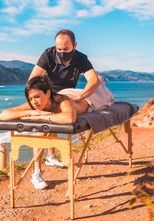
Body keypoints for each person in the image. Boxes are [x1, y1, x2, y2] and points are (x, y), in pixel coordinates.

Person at [0, 75, 89, 189]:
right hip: (67, 93)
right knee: (41, 130)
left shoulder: (62, 100)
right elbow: (3, 115)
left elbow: (69, 118)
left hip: (88, 99)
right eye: (30, 98)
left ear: (48, 93)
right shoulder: (34, 104)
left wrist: (44, 117)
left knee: (42, 125)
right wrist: (31, 113)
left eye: (37, 97)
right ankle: (37, 172)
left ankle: (43, 165)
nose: (34, 102)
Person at [27, 29, 100, 170]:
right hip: (47, 94)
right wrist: (39, 99)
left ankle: (51, 156)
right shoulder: (48, 54)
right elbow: (33, 79)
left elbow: (94, 81)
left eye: (66, 49)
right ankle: (37, 171)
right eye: (59, 48)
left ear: (75, 45)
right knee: (42, 130)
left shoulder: (81, 59)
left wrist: (80, 96)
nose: (62, 52)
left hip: (66, 94)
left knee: (55, 121)